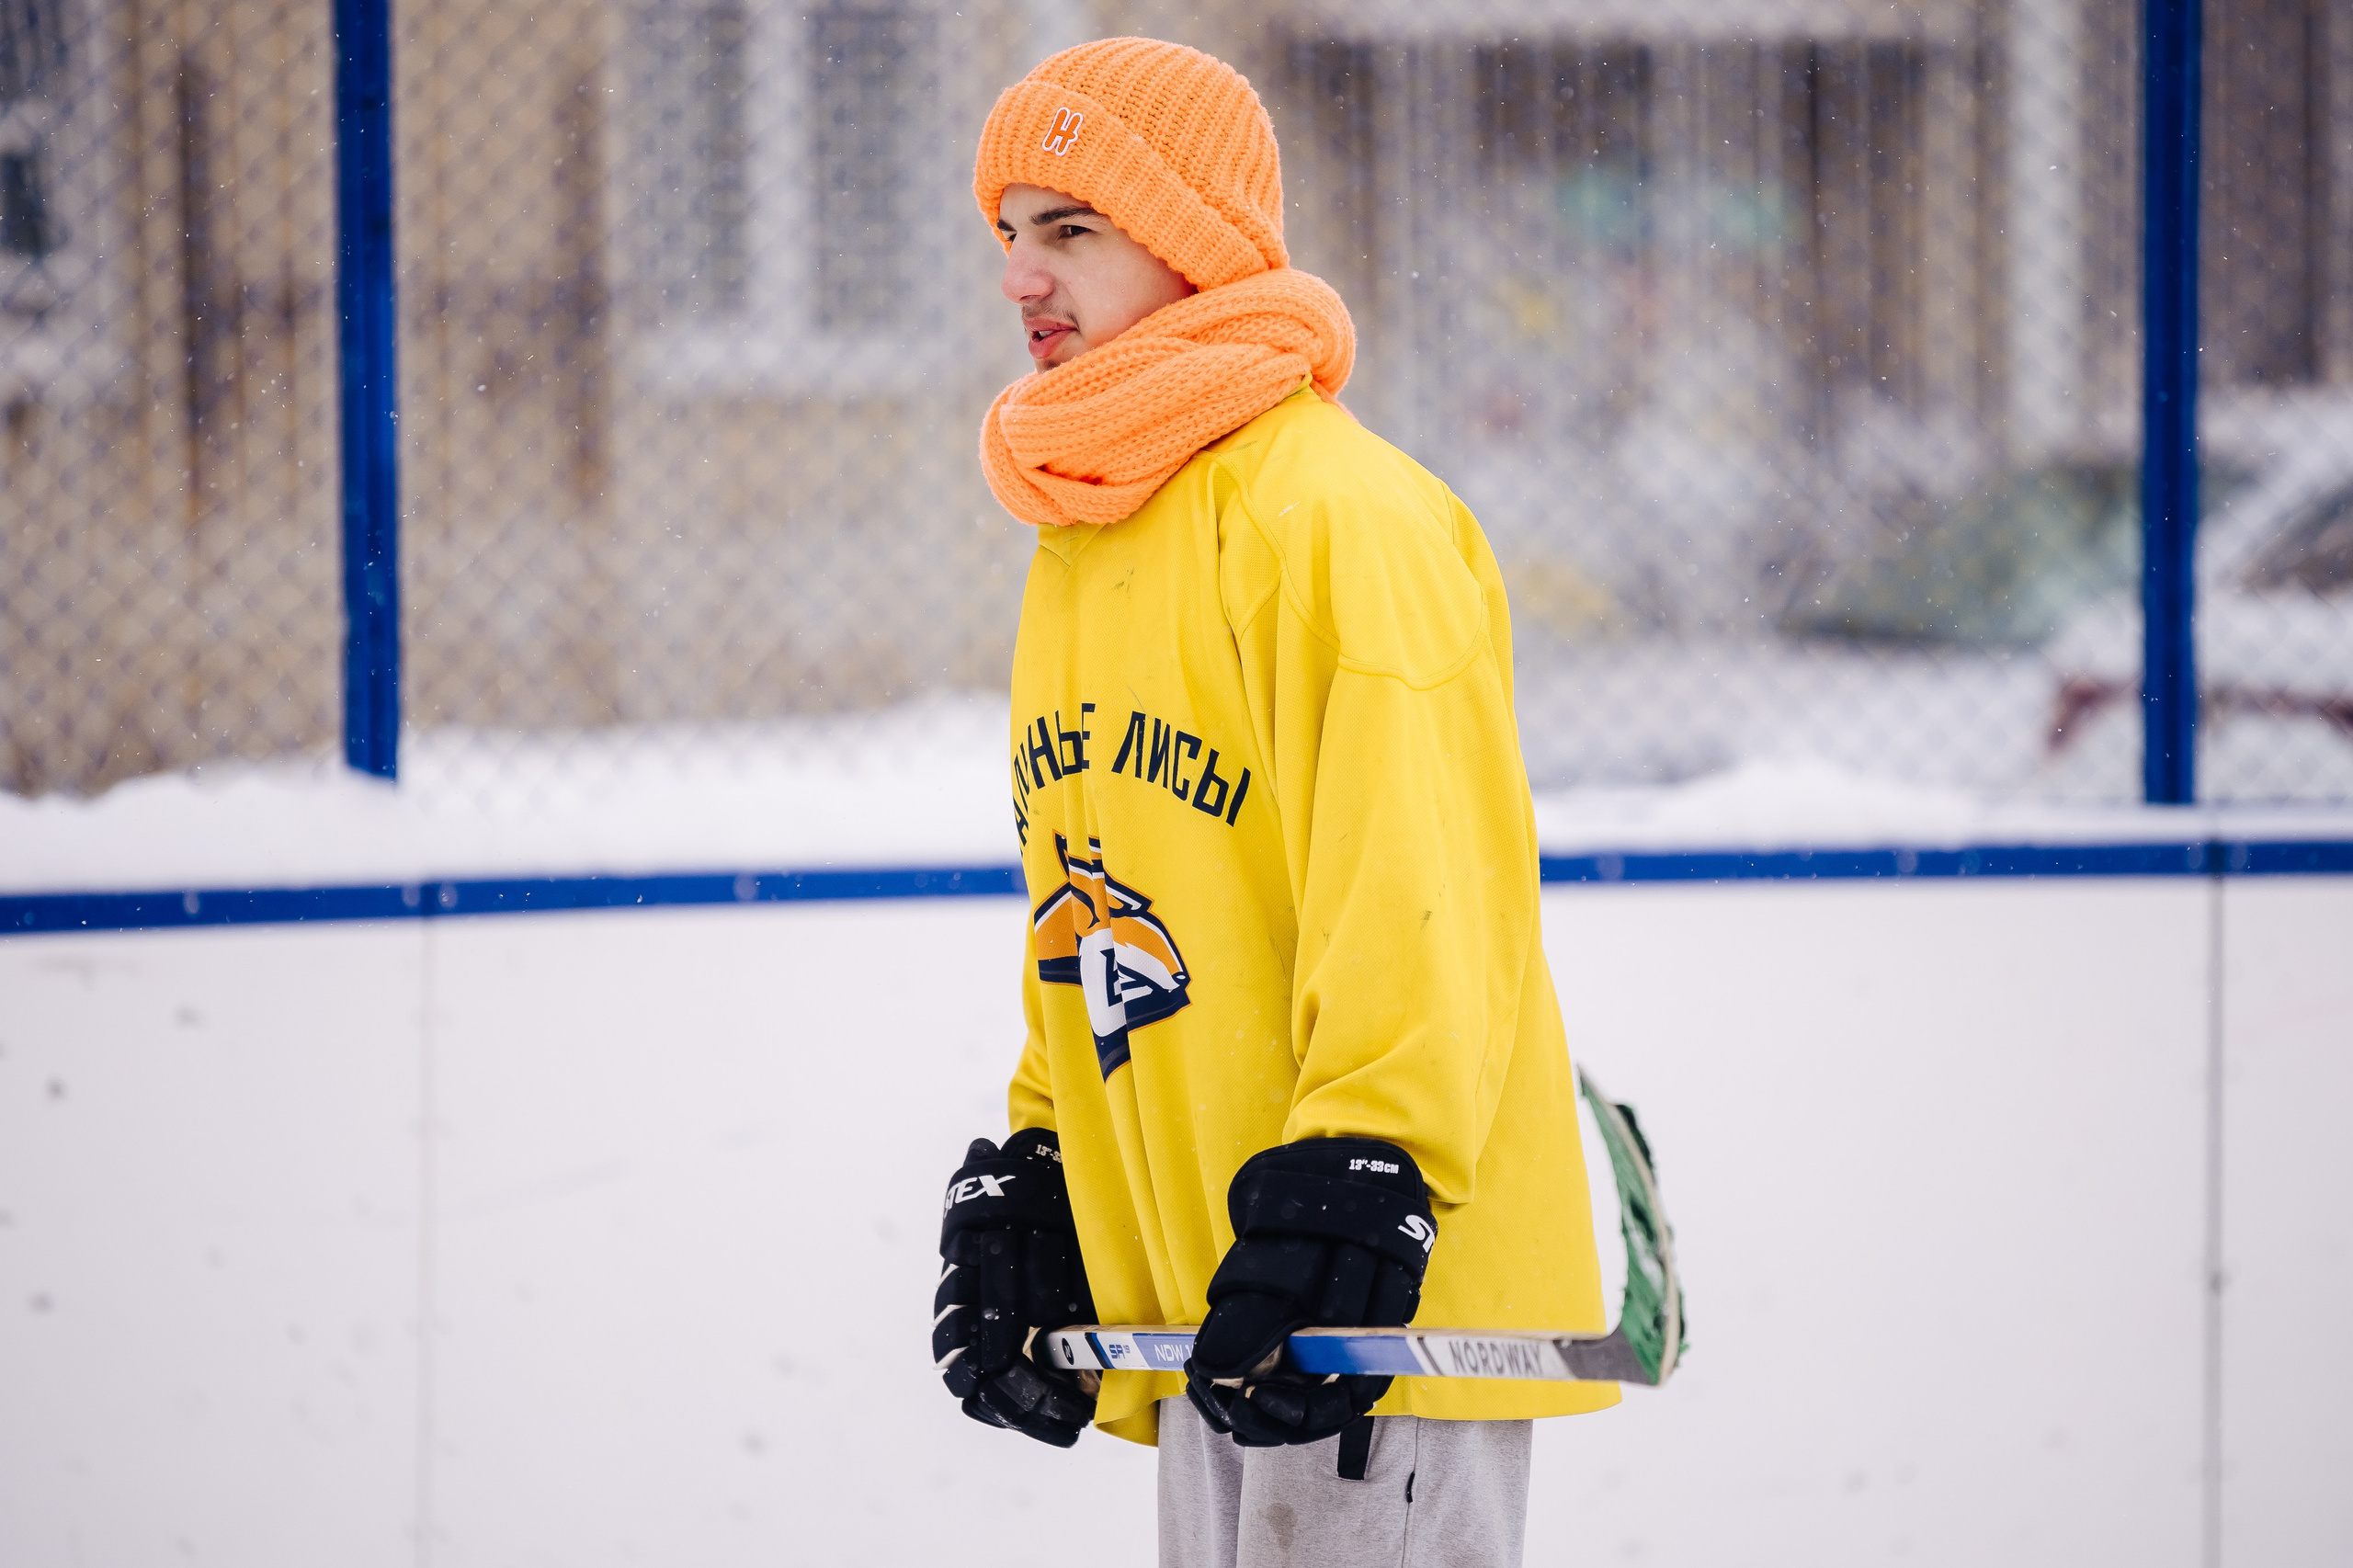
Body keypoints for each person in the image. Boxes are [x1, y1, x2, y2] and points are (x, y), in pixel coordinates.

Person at [930, 37, 1617, 1568]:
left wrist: (1362, 1172)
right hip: (1219, 1293)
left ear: (1191, 239)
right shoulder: (1095, 537)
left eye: (1070, 230)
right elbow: (1096, 890)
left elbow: (1422, 883)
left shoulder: (1336, 516)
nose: (1019, 278)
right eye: (1007, 233)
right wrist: (1047, 1156)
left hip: (1378, 1293)